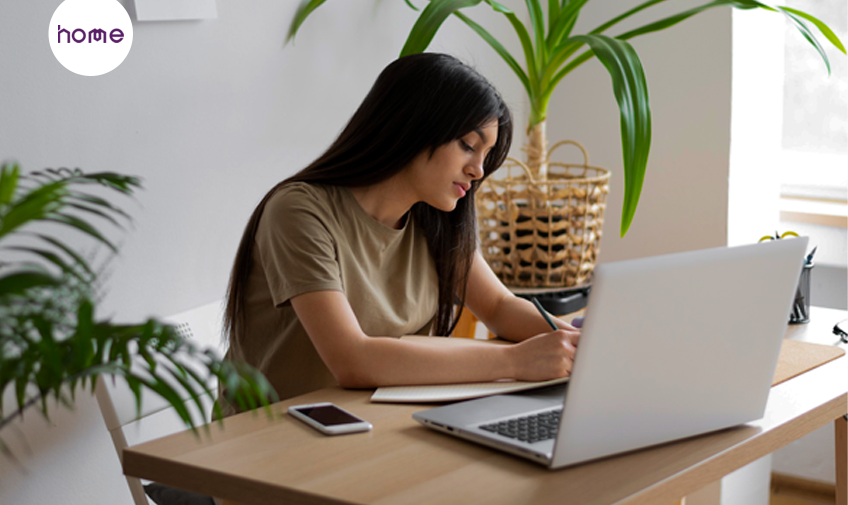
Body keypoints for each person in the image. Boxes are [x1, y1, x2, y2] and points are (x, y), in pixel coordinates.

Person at [218, 53, 581, 418]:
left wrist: (581, 345)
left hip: (377, 424)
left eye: (486, 155)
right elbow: (351, 358)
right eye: (469, 146)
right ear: (412, 126)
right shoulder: (300, 211)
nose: (478, 170)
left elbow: (499, 308)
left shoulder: (435, 220)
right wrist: (515, 361)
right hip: (273, 437)